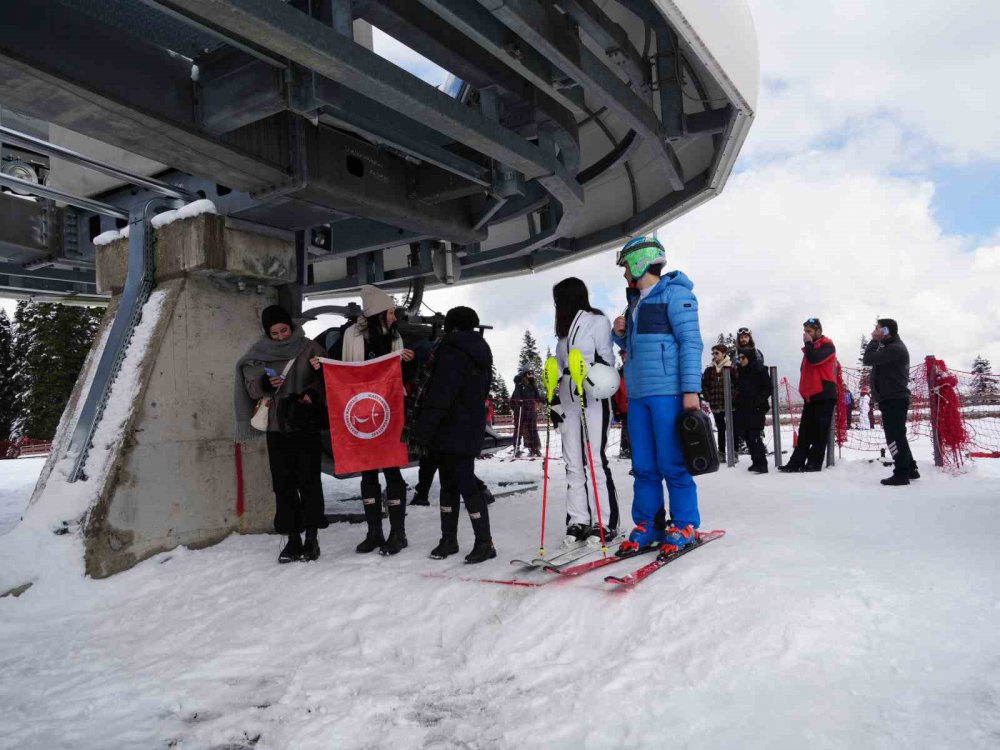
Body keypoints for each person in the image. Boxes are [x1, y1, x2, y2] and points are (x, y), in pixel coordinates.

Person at [611, 236, 703, 554]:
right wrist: (620, 335)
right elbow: (635, 349)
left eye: (625, 267)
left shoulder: (676, 295)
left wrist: (691, 390)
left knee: (672, 462)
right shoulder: (634, 303)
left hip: (668, 393)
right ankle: (648, 523)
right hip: (638, 394)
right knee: (644, 465)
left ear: (639, 263)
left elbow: (691, 343)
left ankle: (685, 523)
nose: (624, 274)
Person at [237, 305, 329, 563]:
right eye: (274, 332)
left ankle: (311, 539)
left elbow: (329, 378)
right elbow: (252, 387)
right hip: (277, 428)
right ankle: (292, 539)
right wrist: (265, 384)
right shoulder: (259, 353)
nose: (280, 336)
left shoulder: (309, 347)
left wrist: (313, 388)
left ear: (291, 326)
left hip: (304, 425)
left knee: (309, 481)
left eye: (284, 330)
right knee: (283, 485)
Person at [412, 306, 497, 563]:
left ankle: (483, 542)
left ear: (450, 326)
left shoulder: (451, 352)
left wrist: (423, 429)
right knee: (452, 482)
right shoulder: (479, 349)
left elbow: (441, 394)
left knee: (462, 483)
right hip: (468, 425)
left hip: (450, 426)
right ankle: (449, 539)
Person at [339, 285, 416, 554]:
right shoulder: (352, 335)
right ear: (379, 313)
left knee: (392, 469)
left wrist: (405, 362)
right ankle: (374, 532)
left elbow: (397, 378)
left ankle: (398, 532)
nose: (394, 316)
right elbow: (349, 371)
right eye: (391, 311)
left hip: (388, 411)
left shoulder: (394, 336)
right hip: (363, 412)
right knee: (368, 470)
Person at [550, 277, 620, 546]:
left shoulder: (596, 321)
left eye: (559, 300)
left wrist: (593, 379)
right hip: (568, 395)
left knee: (594, 459)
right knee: (572, 461)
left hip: (591, 393)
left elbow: (607, 358)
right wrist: (554, 394)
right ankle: (578, 518)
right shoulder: (565, 330)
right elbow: (561, 364)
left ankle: (605, 521)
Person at [863, 318, 918, 485]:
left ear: (886, 331)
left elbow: (868, 359)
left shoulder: (894, 348)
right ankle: (910, 468)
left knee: (894, 437)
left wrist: (873, 340)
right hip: (892, 398)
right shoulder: (891, 347)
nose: (874, 330)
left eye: (877, 328)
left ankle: (901, 473)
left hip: (894, 398)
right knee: (898, 435)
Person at [779, 318, 838, 473]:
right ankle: (795, 462)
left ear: (818, 331)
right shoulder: (811, 348)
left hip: (824, 394)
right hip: (811, 396)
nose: (806, 335)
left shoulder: (827, 345)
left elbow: (814, 359)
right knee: (804, 432)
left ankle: (814, 463)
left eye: (809, 331)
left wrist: (808, 344)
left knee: (820, 432)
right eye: (805, 331)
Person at [734, 348, 771, 473]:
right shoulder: (741, 371)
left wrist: (759, 400)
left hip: (756, 408)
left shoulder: (760, 370)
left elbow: (768, 388)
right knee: (747, 435)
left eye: (743, 358)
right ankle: (755, 462)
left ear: (750, 357)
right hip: (744, 408)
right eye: (739, 358)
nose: (741, 360)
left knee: (754, 435)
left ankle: (762, 464)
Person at [701, 343, 732, 455]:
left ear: (724, 353)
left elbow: (737, 384)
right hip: (715, 402)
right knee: (720, 427)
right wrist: (708, 397)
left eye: (717, 353)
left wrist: (733, 396)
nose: (714, 355)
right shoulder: (710, 369)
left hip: (729, 403)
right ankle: (722, 452)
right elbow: (704, 385)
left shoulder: (731, 367)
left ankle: (734, 452)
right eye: (713, 353)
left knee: (732, 427)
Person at [511, 369, 543, 457]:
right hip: (521, 410)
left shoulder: (533, 385)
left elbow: (537, 397)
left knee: (533, 429)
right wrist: (518, 401)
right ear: (525, 375)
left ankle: (534, 448)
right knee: (519, 429)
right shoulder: (520, 384)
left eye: (533, 373)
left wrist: (543, 400)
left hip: (530, 410)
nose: (532, 375)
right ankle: (516, 448)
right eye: (530, 373)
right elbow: (516, 395)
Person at [612, 349, 631, 459]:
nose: (624, 359)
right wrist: (616, 410)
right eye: (622, 357)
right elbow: (615, 394)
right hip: (624, 408)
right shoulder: (619, 374)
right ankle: (625, 449)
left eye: (625, 357)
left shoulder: (637, 370)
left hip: (636, 406)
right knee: (626, 430)